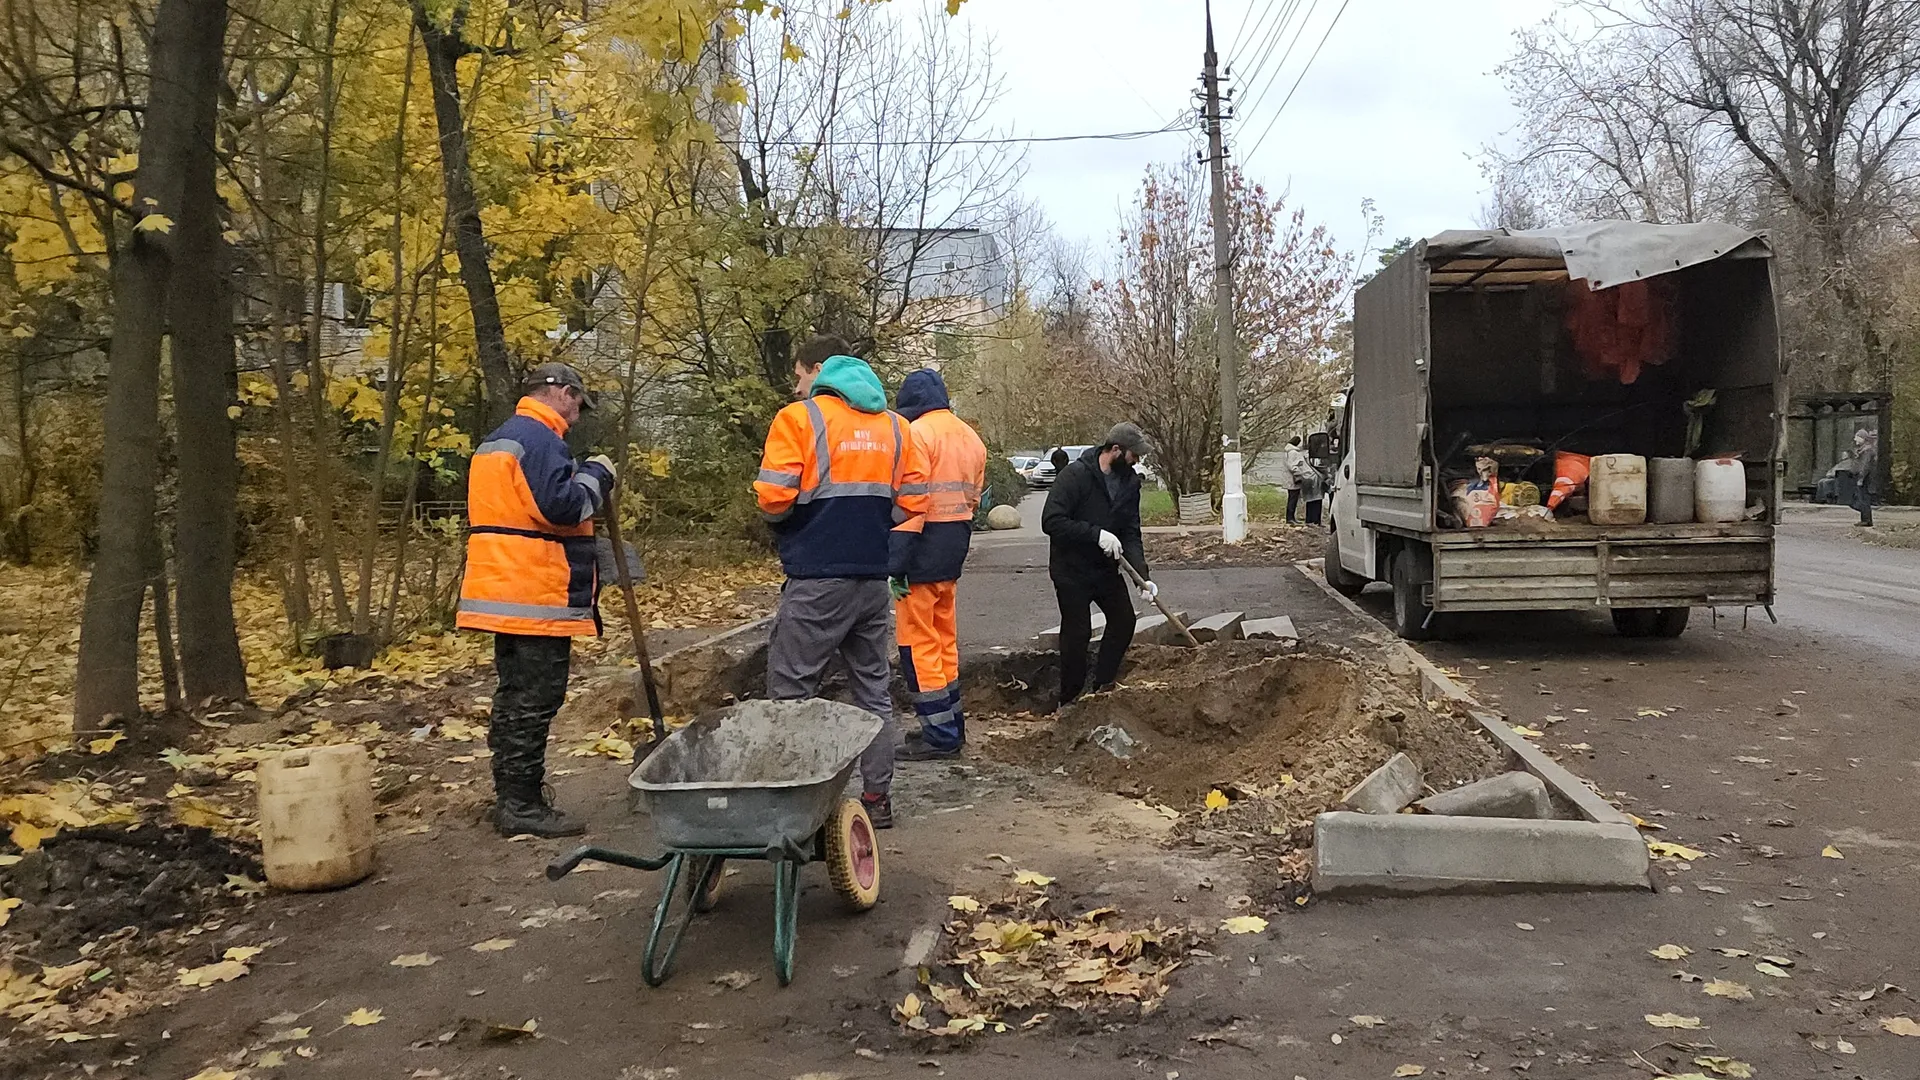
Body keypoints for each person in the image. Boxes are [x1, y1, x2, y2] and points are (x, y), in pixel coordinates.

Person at [754, 336, 930, 828]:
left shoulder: (799, 419)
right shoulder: (896, 427)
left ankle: (793, 803)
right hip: (872, 579)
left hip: (816, 577)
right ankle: (877, 799)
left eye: (798, 373)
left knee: (790, 692)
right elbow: (913, 502)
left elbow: (773, 498)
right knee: (872, 689)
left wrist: (801, 520)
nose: (796, 382)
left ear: (817, 372)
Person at [459, 363, 617, 838]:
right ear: (563, 393)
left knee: (514, 697)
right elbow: (562, 508)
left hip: (502, 590)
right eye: (577, 405)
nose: (576, 417)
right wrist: (597, 474)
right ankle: (521, 805)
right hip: (534, 592)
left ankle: (512, 795)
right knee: (535, 698)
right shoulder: (541, 439)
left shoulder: (500, 438)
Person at [889, 369, 988, 762]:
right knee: (944, 640)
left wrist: (895, 563)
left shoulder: (917, 436)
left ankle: (940, 735)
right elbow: (974, 502)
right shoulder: (971, 437)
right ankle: (952, 725)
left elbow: (909, 505)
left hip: (921, 548)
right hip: (954, 548)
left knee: (919, 645)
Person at [1042, 423, 1156, 708]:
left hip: (1105, 569)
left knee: (1124, 621)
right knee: (1077, 633)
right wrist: (1096, 534)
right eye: (1134, 455)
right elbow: (1052, 521)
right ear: (1115, 450)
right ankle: (1070, 698)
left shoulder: (1129, 483)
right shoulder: (1075, 476)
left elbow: (1131, 531)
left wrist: (1142, 577)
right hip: (1071, 571)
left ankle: (1102, 684)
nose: (1137, 461)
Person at [1852, 428, 1879, 527]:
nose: (1855, 439)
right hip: (1865, 478)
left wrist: (1861, 478)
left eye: (1857, 437)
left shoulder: (1866, 451)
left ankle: (1866, 520)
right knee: (1863, 498)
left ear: (1862, 438)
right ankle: (1865, 519)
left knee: (1864, 499)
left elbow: (1865, 466)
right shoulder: (1865, 450)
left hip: (1865, 479)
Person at [1282, 436, 1308, 524]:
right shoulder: (1293, 453)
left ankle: (1291, 517)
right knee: (1293, 499)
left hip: (1290, 479)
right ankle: (1290, 518)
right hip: (1294, 479)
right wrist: (1299, 472)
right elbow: (1292, 466)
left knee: (1292, 498)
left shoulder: (1287, 452)